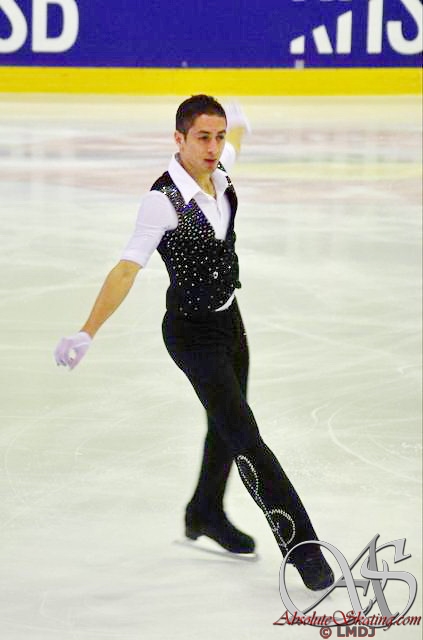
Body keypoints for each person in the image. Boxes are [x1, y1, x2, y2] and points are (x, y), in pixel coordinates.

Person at [55, 95, 334, 591]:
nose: (213, 147)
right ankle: (304, 550)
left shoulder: (219, 173)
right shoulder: (162, 201)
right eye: (203, 137)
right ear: (178, 139)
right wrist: (87, 330)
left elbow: (234, 146)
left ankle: (204, 511)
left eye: (219, 137)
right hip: (192, 335)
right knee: (246, 438)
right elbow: (127, 268)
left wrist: (238, 127)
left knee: (226, 425)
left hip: (231, 325)